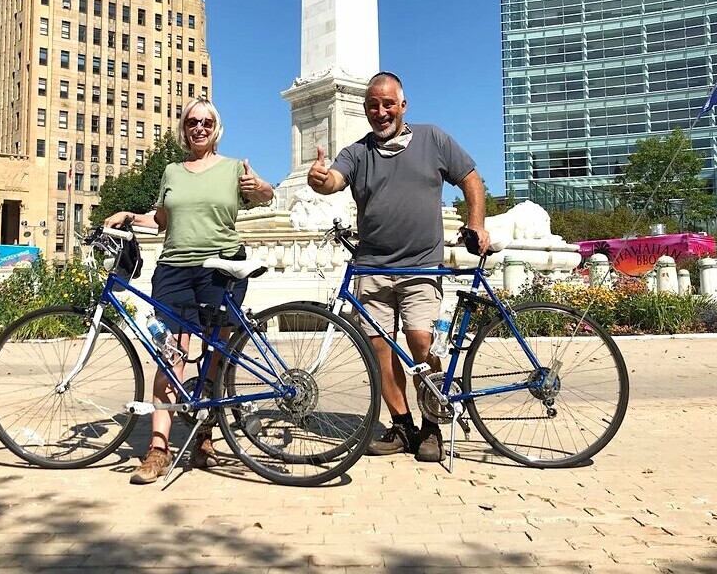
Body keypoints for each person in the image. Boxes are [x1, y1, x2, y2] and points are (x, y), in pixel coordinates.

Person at [307, 71, 490, 462]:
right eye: (373, 105)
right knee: (380, 352)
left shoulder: (433, 139)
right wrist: (319, 179)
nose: (381, 111)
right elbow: (334, 181)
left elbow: (471, 179)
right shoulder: (356, 153)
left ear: (402, 105)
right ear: (366, 109)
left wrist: (476, 224)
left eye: (388, 103)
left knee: (421, 343)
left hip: (422, 265)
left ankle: (433, 425)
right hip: (372, 267)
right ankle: (403, 426)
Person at [105, 98, 274, 485]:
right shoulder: (171, 171)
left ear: (217, 128)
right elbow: (161, 221)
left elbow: (264, 196)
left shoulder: (234, 169)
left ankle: (204, 437)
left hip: (220, 269)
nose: (199, 127)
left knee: (215, 354)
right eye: (192, 122)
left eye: (207, 121)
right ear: (184, 130)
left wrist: (261, 187)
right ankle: (158, 448)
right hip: (174, 270)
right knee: (169, 355)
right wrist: (130, 215)